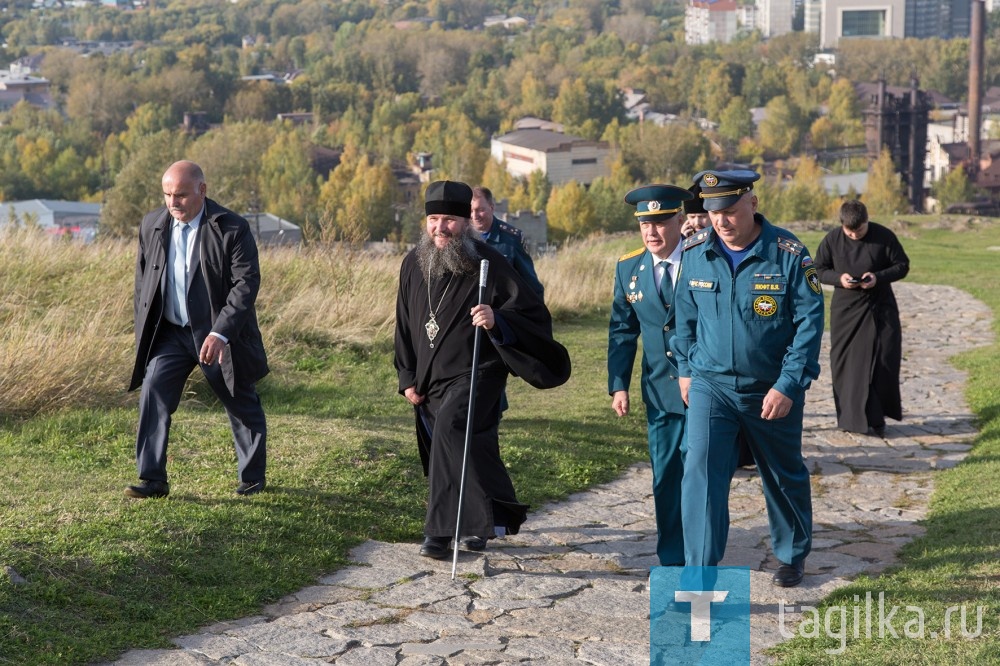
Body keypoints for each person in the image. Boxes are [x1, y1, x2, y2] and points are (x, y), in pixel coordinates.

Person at [394, 180, 571, 559]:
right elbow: (404, 324)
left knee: (452, 428)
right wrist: (407, 377)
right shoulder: (413, 263)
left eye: (450, 221)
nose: (441, 228)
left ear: (466, 222)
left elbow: (531, 313)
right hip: (430, 378)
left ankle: (439, 533)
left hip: (479, 371)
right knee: (473, 445)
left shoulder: (488, 262)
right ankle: (485, 522)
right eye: (434, 219)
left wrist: (497, 320)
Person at [671, 170, 824, 587]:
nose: (721, 220)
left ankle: (792, 555)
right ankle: (699, 572)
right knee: (700, 471)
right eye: (713, 211)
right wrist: (685, 370)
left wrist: (789, 383)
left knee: (781, 472)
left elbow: (809, 322)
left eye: (730, 210)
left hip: (770, 387)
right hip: (710, 385)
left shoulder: (787, 253)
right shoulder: (696, 252)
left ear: (753, 204)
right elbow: (682, 319)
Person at [126, 160, 269, 499]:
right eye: (167, 194)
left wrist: (221, 333)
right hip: (172, 334)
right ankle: (153, 480)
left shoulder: (232, 228)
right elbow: (141, 284)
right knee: (154, 390)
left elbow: (246, 284)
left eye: (181, 195)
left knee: (239, 399)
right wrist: (143, 332)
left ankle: (252, 479)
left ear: (203, 191)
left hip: (216, 335)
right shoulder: (152, 225)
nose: (173, 202)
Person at [608, 184, 694, 566]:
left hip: (704, 391)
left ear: (680, 220)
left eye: (660, 223)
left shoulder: (702, 260)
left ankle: (701, 558)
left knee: (700, 478)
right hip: (659, 393)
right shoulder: (629, 267)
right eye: (645, 223)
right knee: (665, 480)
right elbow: (622, 331)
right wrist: (618, 385)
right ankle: (673, 561)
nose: (651, 232)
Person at [814, 199, 910, 437]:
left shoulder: (883, 236)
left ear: (867, 221)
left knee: (882, 360)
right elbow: (817, 269)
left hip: (880, 307)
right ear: (842, 225)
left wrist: (877, 277)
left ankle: (877, 419)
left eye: (859, 230)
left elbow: (902, 265)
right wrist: (839, 279)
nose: (855, 235)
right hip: (846, 311)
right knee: (847, 365)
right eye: (850, 231)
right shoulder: (832, 240)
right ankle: (850, 418)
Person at [470, 186, 544, 299]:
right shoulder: (463, 237)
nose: (475, 216)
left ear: (492, 207)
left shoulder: (511, 238)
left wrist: (539, 314)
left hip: (503, 308)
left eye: (481, 210)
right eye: (471, 211)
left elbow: (531, 283)